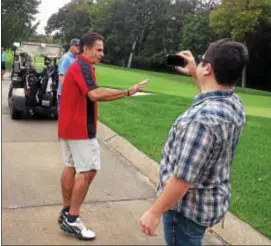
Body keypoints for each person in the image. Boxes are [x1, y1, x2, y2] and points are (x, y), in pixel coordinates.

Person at [139, 39, 249, 246]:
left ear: (207, 68)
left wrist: (154, 212)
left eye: (201, 61)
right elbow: (211, 93)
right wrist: (194, 72)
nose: (197, 63)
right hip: (210, 201)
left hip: (185, 211)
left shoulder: (200, 121)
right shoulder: (234, 103)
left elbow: (182, 179)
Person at [57, 32, 149, 241]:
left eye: (102, 49)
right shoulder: (82, 66)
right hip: (80, 128)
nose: (102, 53)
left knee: (71, 166)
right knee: (88, 172)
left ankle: (66, 211)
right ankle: (72, 219)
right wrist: (128, 91)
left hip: (68, 126)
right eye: (98, 49)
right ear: (86, 48)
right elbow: (94, 94)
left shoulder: (81, 66)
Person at [57, 38, 80, 112]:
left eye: (79, 45)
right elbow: (61, 76)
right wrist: (67, 91)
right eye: (76, 45)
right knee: (64, 115)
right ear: (71, 46)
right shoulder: (66, 58)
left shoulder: (76, 58)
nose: (78, 47)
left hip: (72, 93)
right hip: (65, 93)